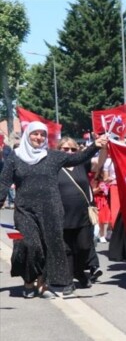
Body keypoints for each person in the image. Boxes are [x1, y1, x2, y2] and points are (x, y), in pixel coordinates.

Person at [0, 122, 107, 298]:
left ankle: (43, 284)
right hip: (25, 210)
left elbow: (77, 158)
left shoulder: (52, 156)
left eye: (42, 134)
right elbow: (4, 182)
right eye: (35, 134)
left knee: (48, 246)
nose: (39, 137)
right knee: (29, 244)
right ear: (28, 135)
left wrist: (95, 145)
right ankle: (28, 281)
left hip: (51, 209)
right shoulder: (14, 157)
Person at [56, 137, 99, 292]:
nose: (69, 152)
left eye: (73, 149)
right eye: (65, 149)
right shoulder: (53, 166)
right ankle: (68, 282)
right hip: (62, 216)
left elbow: (100, 164)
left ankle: (79, 271)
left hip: (83, 215)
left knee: (84, 247)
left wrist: (105, 147)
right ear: (58, 150)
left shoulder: (82, 164)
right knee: (66, 250)